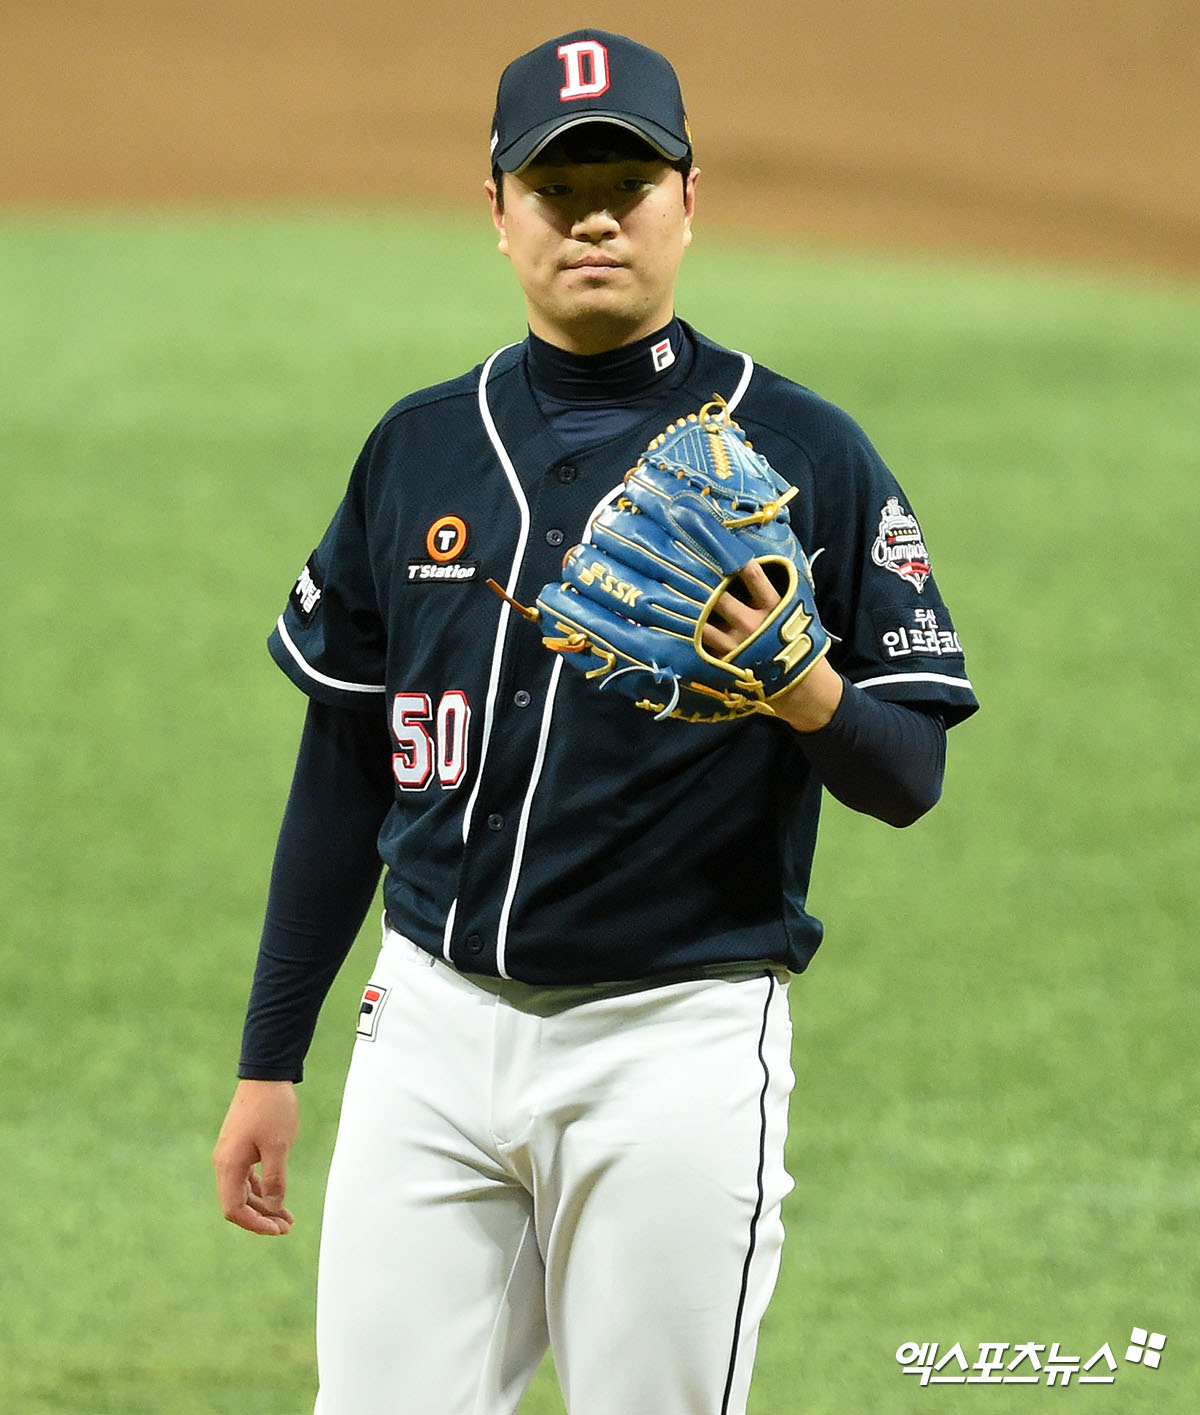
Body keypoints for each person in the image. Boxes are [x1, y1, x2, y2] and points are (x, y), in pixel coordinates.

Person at [213, 28, 978, 1415]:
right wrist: (271, 1058)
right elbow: (344, 768)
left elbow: (910, 773)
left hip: (672, 1047)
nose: (596, 219)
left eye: (629, 184)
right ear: (497, 212)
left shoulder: (806, 455)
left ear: (690, 199)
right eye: (557, 190)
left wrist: (804, 690)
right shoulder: (417, 448)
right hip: (426, 1034)